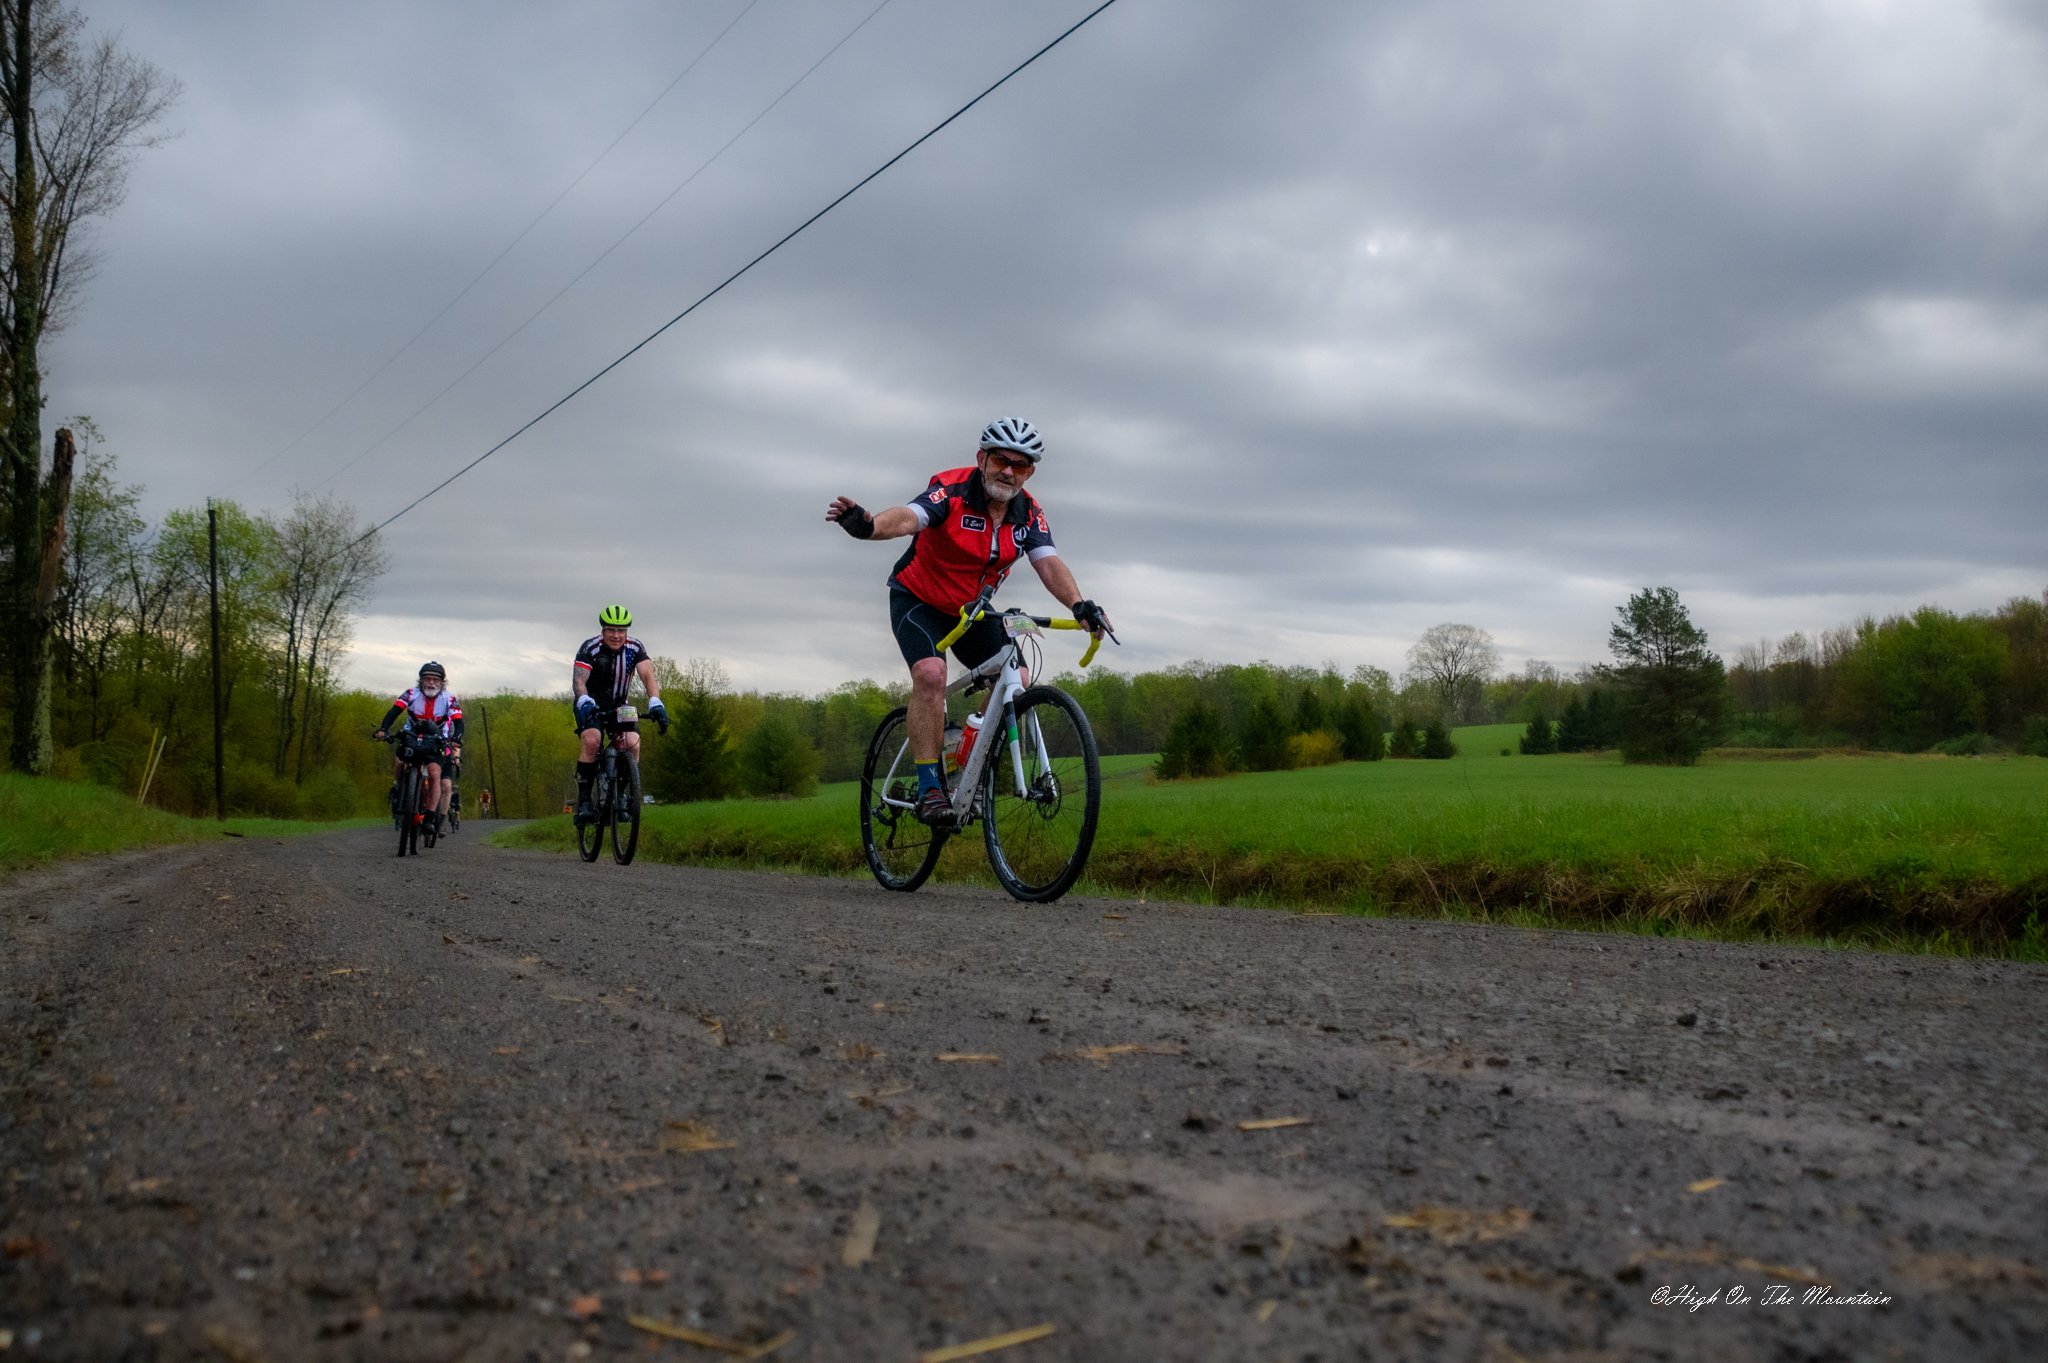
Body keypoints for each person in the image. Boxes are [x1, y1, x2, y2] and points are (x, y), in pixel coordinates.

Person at [825, 417, 1113, 824]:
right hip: (918, 600)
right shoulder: (953, 489)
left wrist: (1079, 604)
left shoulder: (1028, 513)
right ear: (982, 458)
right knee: (930, 675)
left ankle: (967, 770)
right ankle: (929, 789)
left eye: (1021, 465)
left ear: (1030, 472)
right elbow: (910, 516)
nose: (1009, 471)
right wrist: (870, 527)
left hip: (972, 610)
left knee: (1018, 683)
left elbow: (1048, 562)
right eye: (1000, 460)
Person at [571, 605, 669, 821]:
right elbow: (579, 682)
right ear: (603, 630)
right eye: (611, 630)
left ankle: (621, 793)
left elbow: (647, 675)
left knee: (632, 742)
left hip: (619, 705)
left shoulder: (635, 648)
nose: (616, 635)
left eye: (621, 631)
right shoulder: (590, 648)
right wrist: (584, 701)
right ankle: (585, 799)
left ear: (627, 632)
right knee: (592, 740)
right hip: (589, 703)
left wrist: (655, 702)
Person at [372, 661, 460, 833]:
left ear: (442, 683)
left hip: (436, 740)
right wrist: (384, 729)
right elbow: (394, 711)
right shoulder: (411, 694)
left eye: (436, 680)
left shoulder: (449, 699)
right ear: (421, 681)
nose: (431, 683)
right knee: (399, 760)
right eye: (427, 679)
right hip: (412, 736)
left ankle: (429, 818)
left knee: (435, 775)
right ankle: (400, 786)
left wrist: (457, 738)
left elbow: (459, 722)